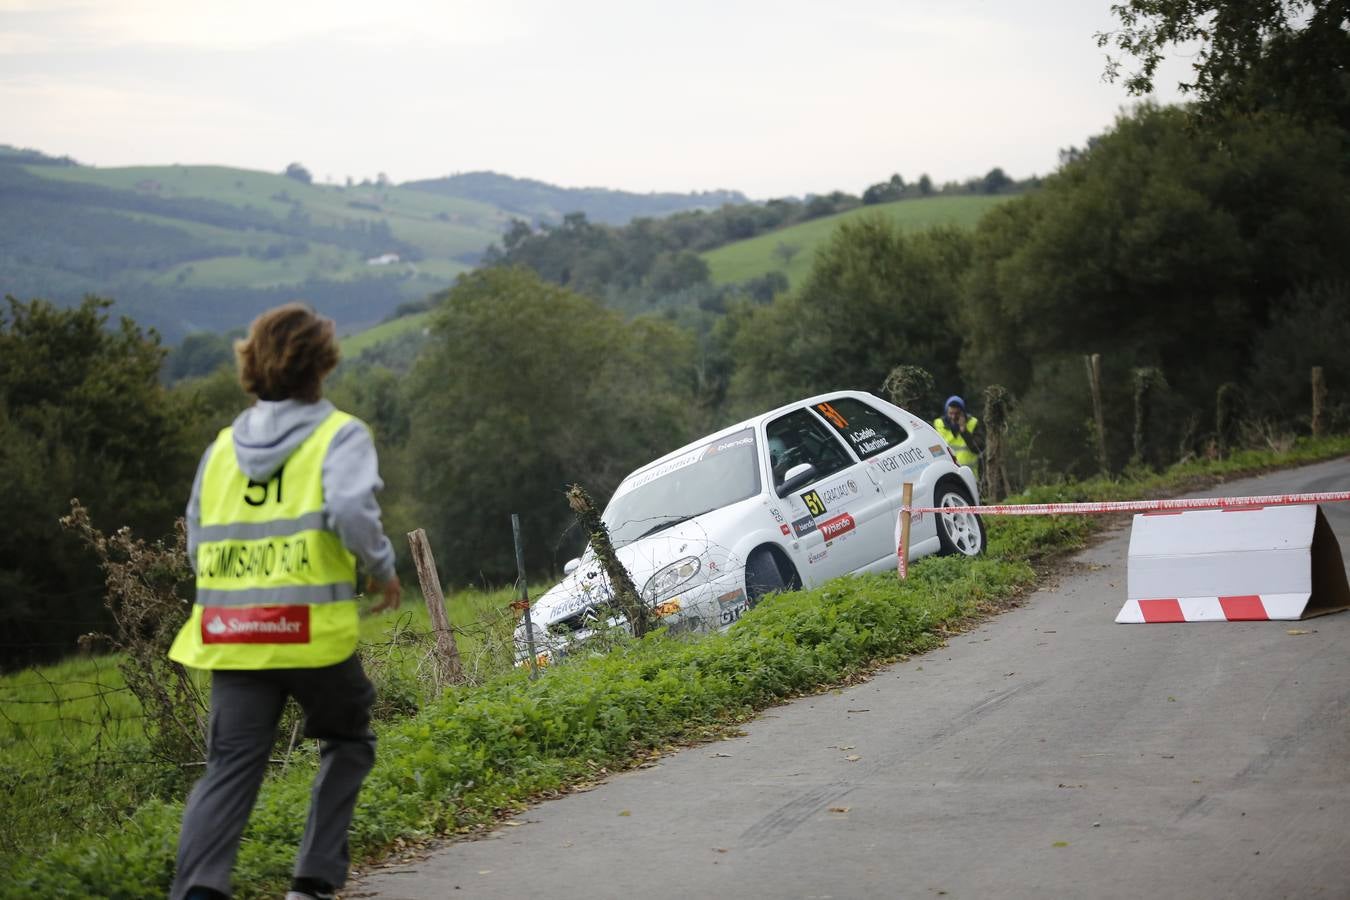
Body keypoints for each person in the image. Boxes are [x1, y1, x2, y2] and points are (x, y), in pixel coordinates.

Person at [167, 303, 402, 900]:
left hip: (233, 634)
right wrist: (380, 569)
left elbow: (196, 537)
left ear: (253, 365)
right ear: (322, 364)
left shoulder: (221, 448)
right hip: (309, 634)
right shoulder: (338, 434)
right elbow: (352, 510)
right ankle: (312, 882)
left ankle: (198, 890)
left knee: (231, 767)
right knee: (348, 741)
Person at [933, 395, 981, 476]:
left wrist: (964, 430)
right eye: (951, 413)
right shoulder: (938, 424)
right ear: (946, 412)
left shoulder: (973, 423)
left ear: (963, 413)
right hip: (947, 475)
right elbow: (934, 453)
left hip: (969, 477)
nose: (954, 417)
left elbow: (978, 449)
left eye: (957, 413)